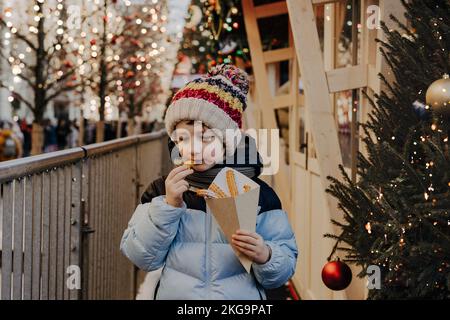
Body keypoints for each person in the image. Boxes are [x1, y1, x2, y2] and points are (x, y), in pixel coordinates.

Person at [120, 64, 298, 300]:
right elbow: (141, 257)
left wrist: (265, 254)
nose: (193, 149)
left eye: (206, 139)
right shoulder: (162, 190)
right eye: (183, 138)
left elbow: (281, 271)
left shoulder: (256, 193)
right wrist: (168, 206)